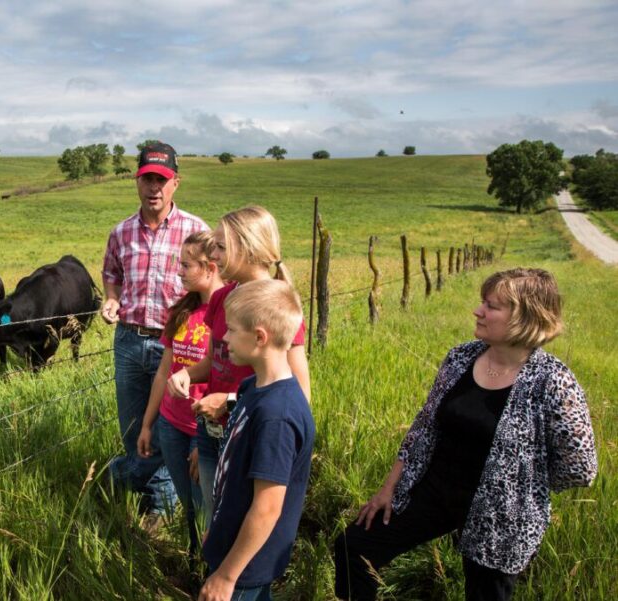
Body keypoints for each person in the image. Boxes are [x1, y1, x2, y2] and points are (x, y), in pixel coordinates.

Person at [333, 268, 598, 601]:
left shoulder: (553, 382)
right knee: (354, 546)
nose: (478, 311)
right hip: (433, 492)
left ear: (526, 317)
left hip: (501, 516)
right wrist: (389, 487)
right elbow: (425, 427)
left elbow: (580, 467)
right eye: (481, 302)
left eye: (492, 306)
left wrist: (527, 484)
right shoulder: (461, 357)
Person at [167, 206, 310, 525]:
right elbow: (214, 361)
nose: (212, 256)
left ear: (246, 248)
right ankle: (213, 570)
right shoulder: (221, 298)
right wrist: (186, 374)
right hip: (212, 431)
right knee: (214, 518)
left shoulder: (276, 305)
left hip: (254, 435)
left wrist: (229, 404)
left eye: (220, 246)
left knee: (244, 519)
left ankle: (231, 575)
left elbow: (298, 390)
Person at [102, 141, 209, 517]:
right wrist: (112, 300)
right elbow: (112, 276)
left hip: (179, 348)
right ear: (137, 182)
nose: (154, 188)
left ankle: (158, 509)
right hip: (130, 340)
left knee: (171, 429)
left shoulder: (197, 232)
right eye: (147, 179)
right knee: (135, 428)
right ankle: (129, 476)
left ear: (175, 183)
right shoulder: (121, 232)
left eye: (161, 180)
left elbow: (212, 288)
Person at [198, 279, 315, 601]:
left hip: (245, 567)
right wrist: (220, 529)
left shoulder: (277, 416)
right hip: (237, 545)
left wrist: (226, 576)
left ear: (260, 337)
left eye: (232, 330)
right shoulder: (253, 388)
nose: (223, 337)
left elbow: (266, 509)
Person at [136, 230, 225, 554]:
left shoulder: (229, 314)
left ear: (210, 267)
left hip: (205, 431)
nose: (179, 271)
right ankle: (192, 560)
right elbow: (165, 370)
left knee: (207, 508)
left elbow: (229, 378)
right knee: (187, 504)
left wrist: (209, 440)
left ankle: (209, 569)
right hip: (171, 424)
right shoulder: (181, 312)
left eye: (186, 265)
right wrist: (148, 424)